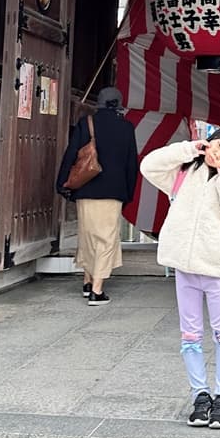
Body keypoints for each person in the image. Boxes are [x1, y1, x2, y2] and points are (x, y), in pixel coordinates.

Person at [140, 122, 220, 429]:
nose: (218, 155)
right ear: (211, 140)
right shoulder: (183, 174)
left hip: (217, 268)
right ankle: (200, 395)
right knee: (190, 336)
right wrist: (187, 148)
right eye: (218, 146)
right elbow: (148, 166)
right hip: (184, 266)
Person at [56, 85, 138, 305]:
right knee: (105, 238)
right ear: (118, 104)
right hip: (113, 191)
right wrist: (129, 192)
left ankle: (87, 280)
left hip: (86, 189)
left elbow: (71, 155)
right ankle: (97, 291)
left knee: (87, 235)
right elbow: (132, 164)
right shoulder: (126, 128)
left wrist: (62, 183)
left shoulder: (86, 124)